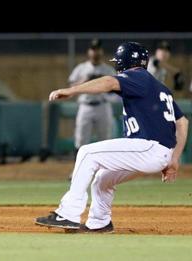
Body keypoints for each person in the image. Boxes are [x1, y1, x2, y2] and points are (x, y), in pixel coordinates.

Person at [35, 42, 188, 233]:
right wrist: (174, 159)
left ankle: (68, 214)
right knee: (102, 179)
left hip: (148, 147)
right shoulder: (160, 87)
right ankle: (100, 222)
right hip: (155, 152)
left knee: (87, 152)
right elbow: (182, 122)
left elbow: (108, 82)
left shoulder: (137, 76)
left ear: (125, 61)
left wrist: (71, 91)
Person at [67, 39, 116, 179]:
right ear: (89, 51)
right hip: (85, 106)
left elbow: (116, 88)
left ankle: (104, 171)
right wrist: (85, 80)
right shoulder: (81, 68)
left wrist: (103, 82)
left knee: (105, 140)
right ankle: (77, 170)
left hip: (103, 105)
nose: (95, 52)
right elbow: (71, 87)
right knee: (81, 140)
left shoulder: (108, 69)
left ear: (101, 51)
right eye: (93, 49)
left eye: (98, 49)